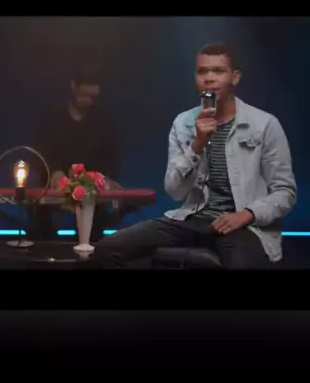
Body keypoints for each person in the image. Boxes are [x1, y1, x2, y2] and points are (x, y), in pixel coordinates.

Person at [94, 42, 297, 269]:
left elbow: (285, 192)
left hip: (242, 225)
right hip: (193, 218)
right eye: (202, 71)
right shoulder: (183, 123)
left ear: (235, 77)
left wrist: (247, 214)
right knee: (107, 249)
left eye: (218, 71)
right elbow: (174, 191)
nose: (209, 78)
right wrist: (197, 144)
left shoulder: (264, 124)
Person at [29, 66, 124, 241]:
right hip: (54, 188)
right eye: (84, 95)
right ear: (73, 87)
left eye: (93, 97)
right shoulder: (52, 119)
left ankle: (89, 251)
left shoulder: (103, 123)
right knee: (38, 213)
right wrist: (53, 171)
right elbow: (39, 154)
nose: (88, 100)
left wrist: (105, 177)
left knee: (97, 221)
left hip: (92, 190)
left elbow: (111, 159)